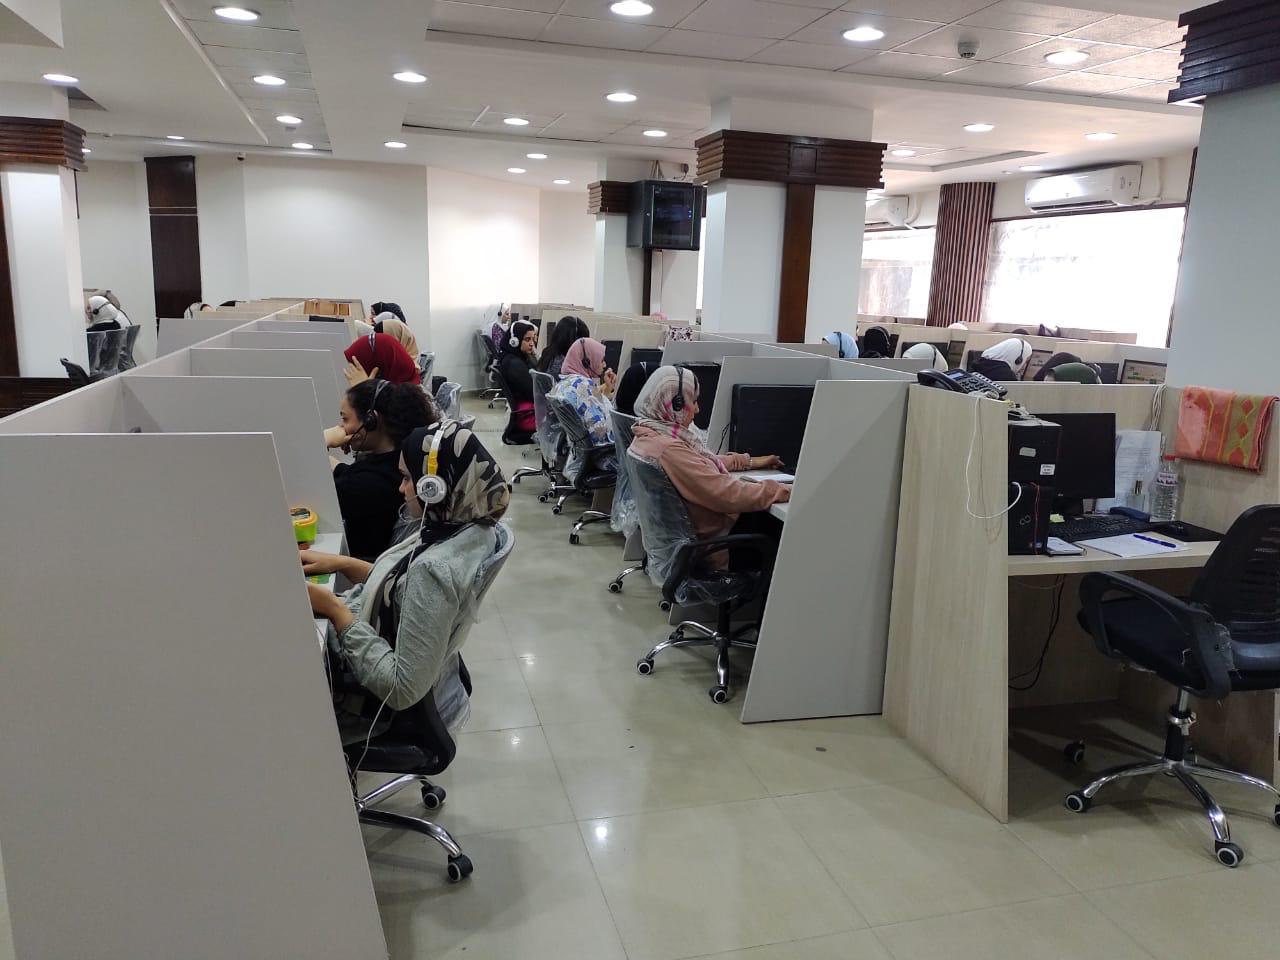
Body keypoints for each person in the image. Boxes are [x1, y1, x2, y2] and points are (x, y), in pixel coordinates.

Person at [305, 421, 511, 744]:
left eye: (407, 478)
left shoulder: (433, 570)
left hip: (371, 708)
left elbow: (402, 689)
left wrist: (335, 610)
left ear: (434, 487)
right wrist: (342, 564)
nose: (401, 489)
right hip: (395, 651)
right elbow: (401, 586)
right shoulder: (467, 527)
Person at [628, 366, 789, 565]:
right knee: (782, 526)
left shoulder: (649, 435)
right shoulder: (668, 449)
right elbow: (727, 494)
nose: (697, 409)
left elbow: (697, 464)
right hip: (713, 545)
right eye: (693, 401)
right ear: (676, 405)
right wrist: (787, 490)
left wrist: (749, 461)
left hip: (691, 540)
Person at [324, 379, 437, 561]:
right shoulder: (399, 458)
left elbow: (322, 494)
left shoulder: (371, 484)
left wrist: (321, 442)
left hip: (358, 567)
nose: (341, 427)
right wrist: (324, 453)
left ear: (371, 420)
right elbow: (348, 472)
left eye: (345, 419)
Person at [549, 338, 618, 480]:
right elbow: (600, 434)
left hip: (580, 455)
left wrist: (607, 388)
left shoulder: (567, 383)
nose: (604, 364)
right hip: (603, 456)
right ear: (587, 362)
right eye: (601, 360)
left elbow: (591, 409)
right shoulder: (584, 386)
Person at [496, 318, 538, 442]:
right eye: (527, 339)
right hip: (527, 415)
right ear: (514, 341)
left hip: (522, 411)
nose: (532, 344)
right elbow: (534, 394)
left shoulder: (512, 357)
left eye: (533, 339)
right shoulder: (515, 364)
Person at [343, 330, 421, 386]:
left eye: (354, 368)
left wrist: (364, 391)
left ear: (378, 373)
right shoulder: (404, 385)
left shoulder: (407, 400)